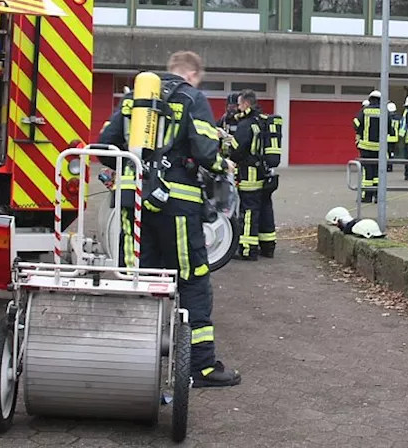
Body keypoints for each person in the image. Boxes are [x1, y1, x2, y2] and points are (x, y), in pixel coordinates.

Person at [95, 51, 242, 388]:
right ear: (192, 74)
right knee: (192, 278)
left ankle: (134, 358)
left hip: (134, 202)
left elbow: (105, 147)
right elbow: (206, 151)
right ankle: (201, 367)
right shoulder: (193, 97)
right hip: (179, 204)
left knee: (138, 276)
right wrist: (224, 167)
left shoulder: (135, 98)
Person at [228, 89, 276, 260]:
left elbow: (235, 151)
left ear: (246, 104)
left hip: (249, 175)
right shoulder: (263, 121)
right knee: (265, 209)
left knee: (248, 211)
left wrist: (225, 144)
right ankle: (268, 246)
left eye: (239, 104)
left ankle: (248, 250)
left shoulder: (246, 124)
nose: (238, 108)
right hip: (265, 174)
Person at [353, 91, 382, 203]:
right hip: (379, 148)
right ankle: (378, 196)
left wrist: (361, 131)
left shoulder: (364, 111)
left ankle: (367, 196)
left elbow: (356, 124)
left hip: (365, 147)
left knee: (367, 172)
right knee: (378, 173)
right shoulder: (385, 112)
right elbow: (390, 129)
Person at [385, 101, 399, 173]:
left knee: (387, 153)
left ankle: (388, 166)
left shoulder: (387, 117)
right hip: (395, 138)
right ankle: (391, 166)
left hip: (387, 137)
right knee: (392, 153)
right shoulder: (397, 117)